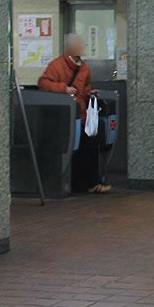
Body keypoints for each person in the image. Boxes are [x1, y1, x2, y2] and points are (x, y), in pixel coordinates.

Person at [38, 33, 109, 194]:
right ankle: (81, 184)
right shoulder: (56, 66)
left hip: (83, 117)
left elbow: (84, 88)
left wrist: (90, 92)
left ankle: (90, 183)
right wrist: (64, 88)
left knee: (88, 148)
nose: (82, 48)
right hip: (65, 117)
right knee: (75, 150)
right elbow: (44, 84)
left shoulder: (84, 68)